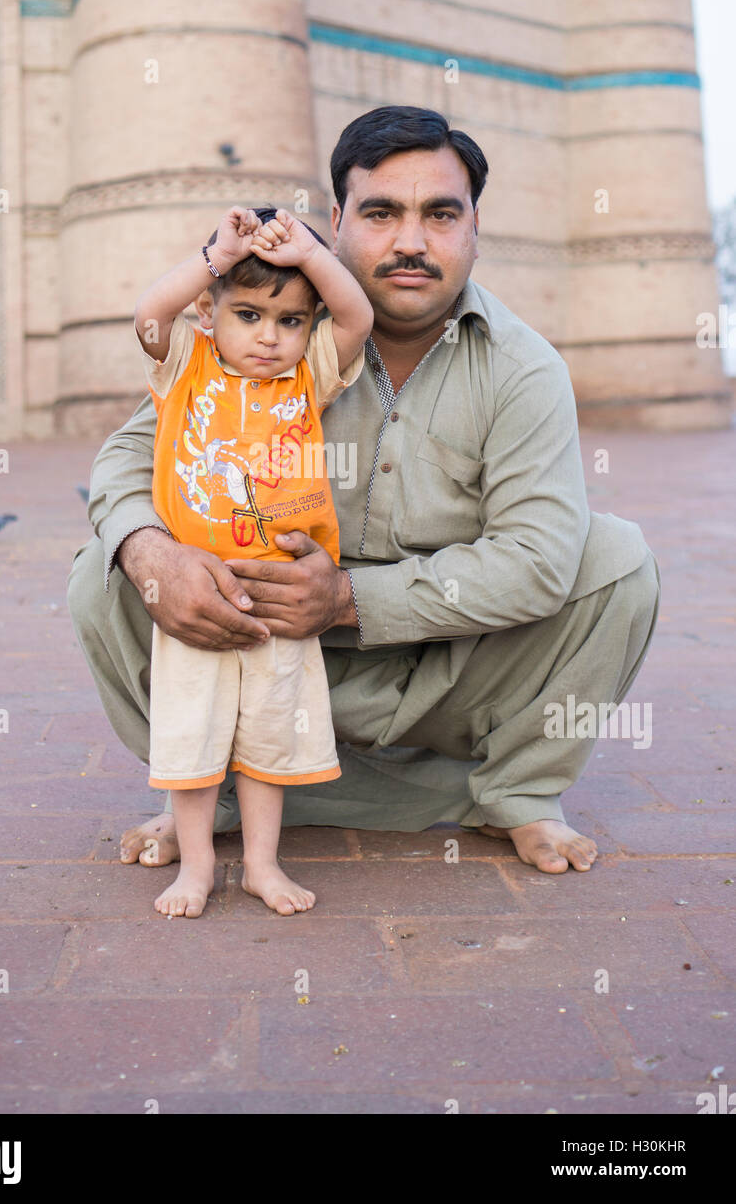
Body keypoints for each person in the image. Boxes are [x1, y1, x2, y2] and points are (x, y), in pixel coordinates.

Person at [67, 104, 661, 881]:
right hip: (252, 649)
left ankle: (517, 793)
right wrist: (155, 556)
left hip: (445, 679)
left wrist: (346, 598)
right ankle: (208, 790)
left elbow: (538, 559)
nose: (411, 241)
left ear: (474, 228)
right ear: (336, 224)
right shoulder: (263, 341)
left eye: (440, 214)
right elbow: (123, 464)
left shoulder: (522, 368)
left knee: (615, 561)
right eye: (382, 213)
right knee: (105, 570)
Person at [133, 204, 372, 916]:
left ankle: (264, 864)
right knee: (194, 741)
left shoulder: (309, 379)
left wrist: (309, 251)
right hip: (199, 600)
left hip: (280, 600)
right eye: (248, 315)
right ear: (210, 315)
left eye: (291, 320)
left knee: (270, 737)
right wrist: (216, 254)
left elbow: (354, 317)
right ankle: (198, 868)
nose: (269, 336)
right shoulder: (187, 364)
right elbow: (150, 317)